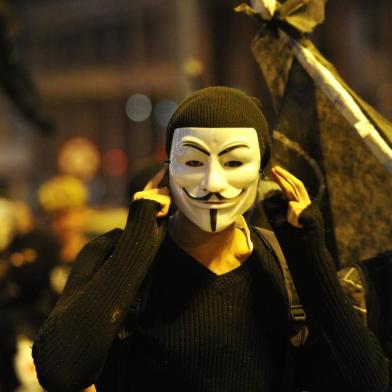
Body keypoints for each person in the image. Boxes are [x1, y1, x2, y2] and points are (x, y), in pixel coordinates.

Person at [32, 87, 390, 391]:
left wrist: (310, 259)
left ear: (262, 170)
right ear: (167, 168)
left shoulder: (285, 266)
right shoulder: (113, 255)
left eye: (234, 163)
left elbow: (368, 382)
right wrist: (136, 247)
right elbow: (62, 372)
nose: (213, 184)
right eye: (193, 163)